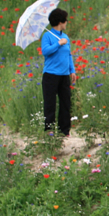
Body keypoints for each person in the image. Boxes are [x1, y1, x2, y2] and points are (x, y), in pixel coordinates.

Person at [41, 8, 77, 137]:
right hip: (51, 74)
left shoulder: (65, 36)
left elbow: (68, 54)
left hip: (63, 75)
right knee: (50, 103)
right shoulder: (48, 36)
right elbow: (45, 51)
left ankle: (64, 130)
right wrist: (58, 44)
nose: (67, 23)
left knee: (65, 102)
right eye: (65, 20)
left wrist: (72, 70)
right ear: (60, 22)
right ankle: (49, 130)